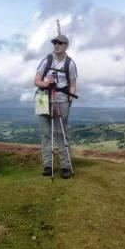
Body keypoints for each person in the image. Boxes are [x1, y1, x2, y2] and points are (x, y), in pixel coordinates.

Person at [34, 34, 78, 179]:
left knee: (61, 133)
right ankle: (48, 165)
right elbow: (36, 80)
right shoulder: (47, 60)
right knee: (45, 133)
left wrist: (69, 101)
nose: (56, 45)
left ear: (66, 46)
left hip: (61, 100)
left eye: (59, 43)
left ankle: (65, 166)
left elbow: (72, 85)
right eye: (54, 43)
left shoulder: (70, 64)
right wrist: (45, 84)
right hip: (42, 98)